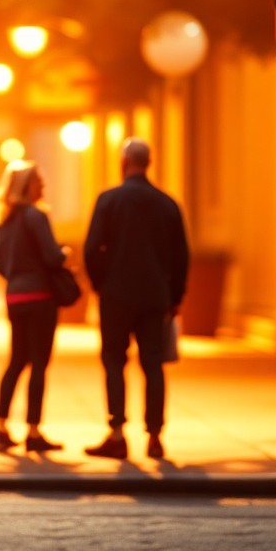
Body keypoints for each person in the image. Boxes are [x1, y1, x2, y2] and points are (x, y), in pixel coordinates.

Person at [82, 138, 189, 461]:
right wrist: (175, 297)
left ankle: (117, 433)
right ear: (148, 163)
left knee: (114, 360)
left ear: (124, 162)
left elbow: (92, 249)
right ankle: (154, 435)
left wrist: (100, 284)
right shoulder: (167, 204)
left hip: (116, 294)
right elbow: (181, 256)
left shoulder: (109, 200)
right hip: (155, 295)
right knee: (153, 363)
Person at [0, 160, 66, 453]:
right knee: (38, 364)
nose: (43, 186)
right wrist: (64, 254)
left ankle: (1, 426)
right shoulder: (36, 216)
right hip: (39, 297)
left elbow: (0, 265)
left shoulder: (3, 219)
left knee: (16, 361)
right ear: (27, 186)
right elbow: (52, 257)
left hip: (15, 296)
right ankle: (33, 431)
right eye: (38, 181)